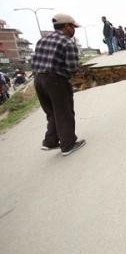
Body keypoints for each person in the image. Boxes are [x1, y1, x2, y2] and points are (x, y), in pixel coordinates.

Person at [32, 13, 86, 156]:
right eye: (73, 27)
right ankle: (68, 144)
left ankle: (50, 141)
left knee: (51, 112)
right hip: (55, 80)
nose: (74, 30)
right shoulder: (67, 42)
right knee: (64, 111)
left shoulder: (42, 40)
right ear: (67, 27)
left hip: (38, 79)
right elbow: (72, 68)